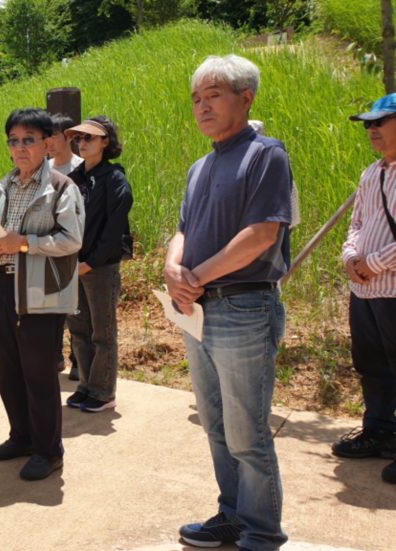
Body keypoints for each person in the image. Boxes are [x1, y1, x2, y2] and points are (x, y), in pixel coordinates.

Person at [165, 55, 292, 550]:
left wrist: (193, 275)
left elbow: (261, 234)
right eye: (197, 98)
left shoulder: (265, 155)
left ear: (246, 98)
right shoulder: (201, 164)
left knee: (247, 433)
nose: (202, 106)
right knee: (216, 425)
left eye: (213, 95)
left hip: (243, 307)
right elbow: (182, 229)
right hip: (197, 310)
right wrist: (173, 269)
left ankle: (261, 532)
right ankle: (232, 515)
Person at [0, 108, 84, 481]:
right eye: (14, 141)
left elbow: (71, 241)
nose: (20, 147)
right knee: (7, 369)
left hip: (39, 291)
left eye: (29, 140)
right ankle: (20, 436)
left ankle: (49, 450)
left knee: (39, 374)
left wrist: (23, 243)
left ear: (48, 144)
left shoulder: (62, 188)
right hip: (1, 287)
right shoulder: (1, 188)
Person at [334, 93, 396, 485]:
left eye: (379, 122)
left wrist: (370, 264)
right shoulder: (372, 173)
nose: (371, 129)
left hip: (390, 286)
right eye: (367, 124)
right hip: (366, 291)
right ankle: (378, 430)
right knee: (371, 364)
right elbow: (357, 223)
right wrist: (350, 258)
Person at [63, 116, 133, 413]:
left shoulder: (115, 179)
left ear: (106, 141)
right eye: (78, 138)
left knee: (102, 332)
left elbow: (113, 230)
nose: (82, 143)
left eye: (89, 137)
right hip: (73, 265)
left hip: (100, 267)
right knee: (79, 329)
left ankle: (103, 392)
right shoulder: (74, 178)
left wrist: (90, 263)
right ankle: (86, 386)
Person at [49, 114, 85, 379]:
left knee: (77, 308)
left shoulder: (82, 167)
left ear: (69, 138)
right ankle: (56, 356)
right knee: (52, 306)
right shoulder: (43, 168)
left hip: (76, 248)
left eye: (53, 135)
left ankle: (77, 359)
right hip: (48, 248)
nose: (48, 141)